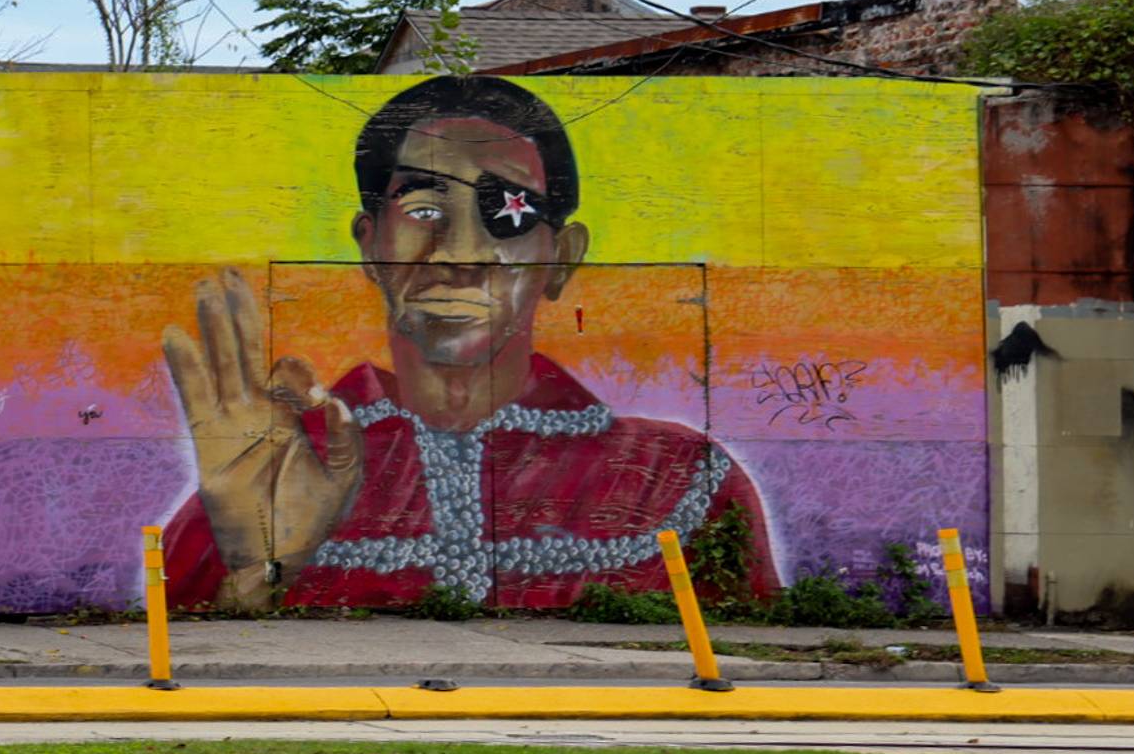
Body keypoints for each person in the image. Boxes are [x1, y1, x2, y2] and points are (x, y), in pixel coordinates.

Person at [159, 74, 776, 611]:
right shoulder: (276, 470)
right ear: (369, 245)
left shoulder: (673, 476)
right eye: (424, 210)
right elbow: (183, 657)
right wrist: (257, 569)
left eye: (507, 216)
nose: (459, 254)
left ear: (561, 259)